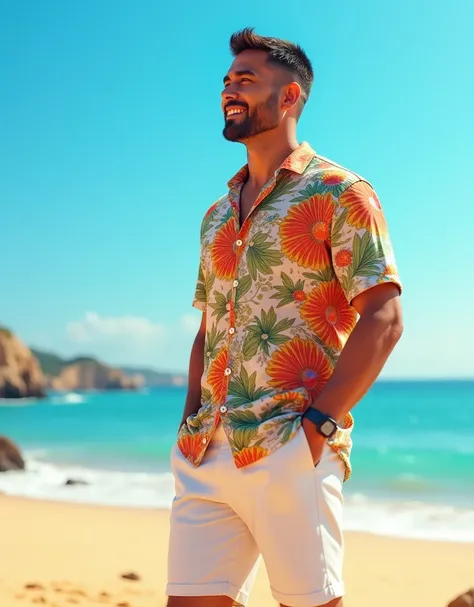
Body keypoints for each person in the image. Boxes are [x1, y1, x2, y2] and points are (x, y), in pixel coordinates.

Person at [166, 27, 403, 607]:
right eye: (226, 80)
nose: (229, 89)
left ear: (290, 96)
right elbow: (208, 327)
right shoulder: (217, 214)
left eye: (246, 80)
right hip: (206, 451)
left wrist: (319, 427)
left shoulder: (341, 192)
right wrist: (189, 421)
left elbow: (384, 317)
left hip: (289, 445)